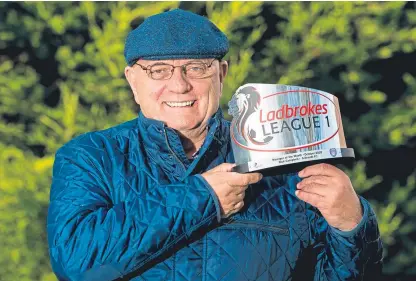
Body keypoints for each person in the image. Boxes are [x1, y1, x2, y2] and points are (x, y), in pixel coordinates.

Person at [47, 9, 383, 281]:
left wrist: (351, 225)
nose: (179, 85)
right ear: (133, 80)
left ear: (221, 74)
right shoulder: (89, 157)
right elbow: (77, 264)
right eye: (159, 70)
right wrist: (203, 198)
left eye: (196, 68)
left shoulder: (283, 155)